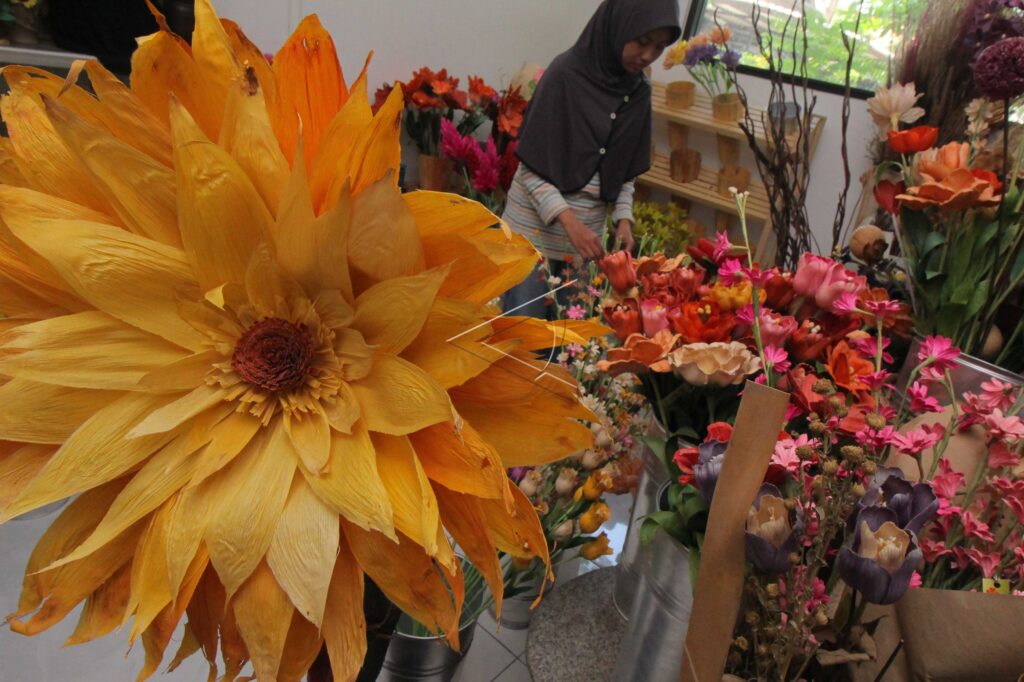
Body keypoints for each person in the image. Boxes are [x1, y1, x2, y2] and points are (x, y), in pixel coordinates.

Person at [502, 0, 681, 319]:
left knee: (569, 342)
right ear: (618, 26)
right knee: (522, 338)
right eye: (642, 41)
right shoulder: (564, 75)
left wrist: (624, 219)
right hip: (531, 237)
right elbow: (531, 169)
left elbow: (625, 169)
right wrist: (571, 224)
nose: (647, 55)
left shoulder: (638, 91)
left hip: (585, 246)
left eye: (659, 47)